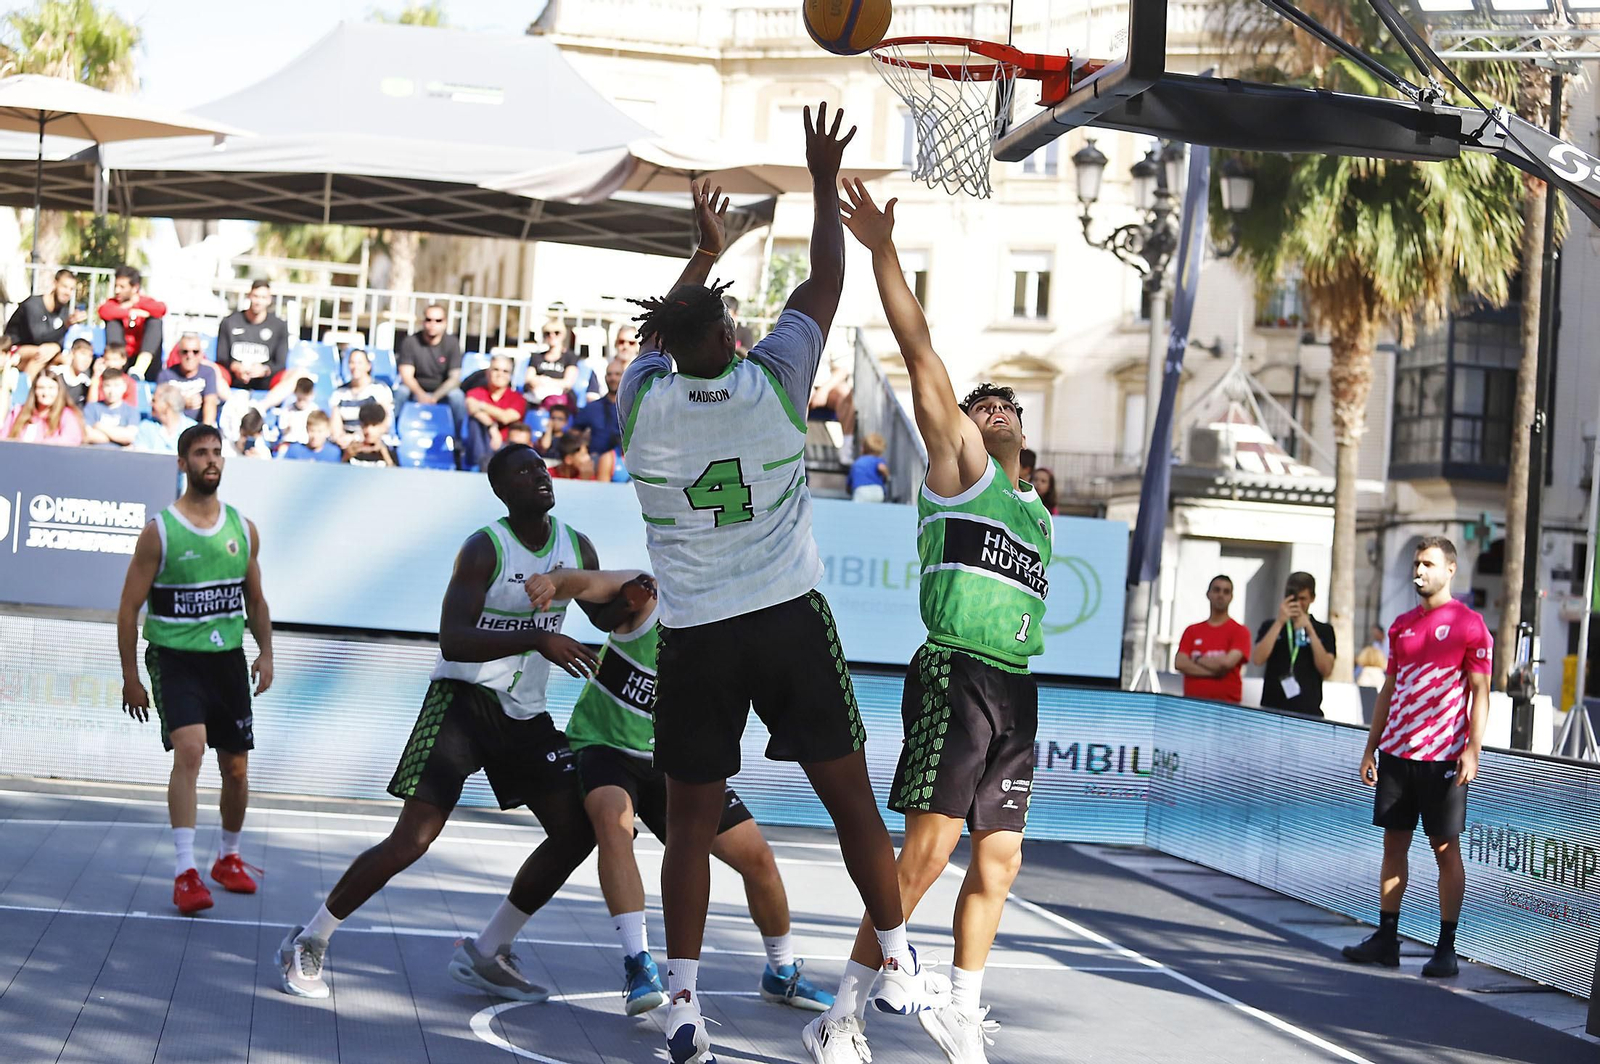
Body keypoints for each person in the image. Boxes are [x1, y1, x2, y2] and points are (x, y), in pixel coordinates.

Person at [622, 133, 946, 1064]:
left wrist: (703, 254)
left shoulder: (640, 401)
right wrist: (815, 180)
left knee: (687, 825)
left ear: (668, 349)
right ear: (731, 338)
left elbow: (661, 337)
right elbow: (824, 282)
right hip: (785, 617)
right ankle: (895, 960)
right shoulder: (774, 380)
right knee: (848, 800)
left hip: (693, 634)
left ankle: (682, 1006)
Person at [836, 177, 1051, 1064]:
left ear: (1025, 434)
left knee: (999, 863)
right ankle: (842, 1013)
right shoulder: (961, 463)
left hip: (1016, 688)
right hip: (956, 672)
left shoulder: (1038, 509)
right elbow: (920, 351)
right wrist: (883, 249)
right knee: (925, 856)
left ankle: (961, 1006)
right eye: (982, 401)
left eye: (1008, 404)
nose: (992, 405)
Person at [278, 444, 605, 1002]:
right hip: (461, 701)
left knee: (578, 830)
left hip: (525, 713)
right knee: (413, 839)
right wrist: (535, 636)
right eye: (524, 471)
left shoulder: (577, 549)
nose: (540, 475)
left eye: (542, 467)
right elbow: (454, 638)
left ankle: (487, 951)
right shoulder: (484, 548)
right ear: (502, 491)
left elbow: (608, 614)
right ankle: (311, 939)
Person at [530, 567, 832, 1015]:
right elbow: (588, 584)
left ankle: (781, 972)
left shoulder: (731, 640)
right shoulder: (652, 598)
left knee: (759, 859)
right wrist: (556, 583)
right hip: (605, 746)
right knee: (614, 825)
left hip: (673, 761)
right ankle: (638, 963)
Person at [117, 424, 274, 914]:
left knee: (237, 768)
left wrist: (266, 652)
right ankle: (186, 871)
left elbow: (256, 599)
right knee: (190, 750)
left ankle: (228, 858)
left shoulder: (243, 529)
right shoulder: (159, 531)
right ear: (182, 463)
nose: (211, 460)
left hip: (226, 660)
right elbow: (127, 611)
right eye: (201, 453)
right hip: (174, 657)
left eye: (217, 453)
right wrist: (130, 677)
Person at [1343, 536, 1490, 979]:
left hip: (1444, 756)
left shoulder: (1470, 624)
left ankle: (1446, 948)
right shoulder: (1401, 626)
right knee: (1394, 846)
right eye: (1415, 563)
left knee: (1445, 849)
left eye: (1428, 563)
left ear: (1450, 570)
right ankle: (1387, 938)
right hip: (1396, 754)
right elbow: (1389, 689)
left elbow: (1481, 693)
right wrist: (1372, 746)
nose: (1419, 571)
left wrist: (1472, 748)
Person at [1251, 571, 1336, 716]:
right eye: (1293, 598)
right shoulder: (1270, 626)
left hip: (1308, 711)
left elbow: (1326, 669)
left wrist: (1309, 628)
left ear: (1312, 598)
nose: (1297, 604)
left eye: (1303, 599)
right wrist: (1279, 622)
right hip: (1272, 708)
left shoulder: (1324, 630)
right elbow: (1258, 659)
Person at [1174, 575, 1252, 704]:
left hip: (1226, 708)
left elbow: (1226, 663)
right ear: (1208, 594)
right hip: (1192, 706)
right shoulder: (1192, 631)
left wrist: (1197, 658)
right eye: (1216, 590)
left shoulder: (1240, 631)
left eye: (1226, 591)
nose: (1221, 595)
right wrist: (1215, 673)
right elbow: (1180, 663)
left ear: (1231, 597)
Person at [395, 303, 465, 428]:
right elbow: (406, 376)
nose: (433, 324)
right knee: (401, 392)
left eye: (438, 320)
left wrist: (435, 397)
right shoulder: (410, 342)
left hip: (441, 392)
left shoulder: (452, 343)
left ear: (445, 323)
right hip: (415, 390)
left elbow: (455, 378)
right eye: (429, 319)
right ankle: (392, 433)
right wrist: (421, 394)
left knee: (457, 396)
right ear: (423, 322)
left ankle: (459, 438)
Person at [215, 279, 290, 391]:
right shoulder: (229, 322)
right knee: (211, 370)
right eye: (255, 296)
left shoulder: (279, 326)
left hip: (265, 381)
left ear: (269, 300)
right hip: (233, 379)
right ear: (249, 296)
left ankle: (262, 406)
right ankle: (230, 401)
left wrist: (264, 370)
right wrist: (236, 367)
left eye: (263, 297)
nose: (258, 301)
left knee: (298, 374)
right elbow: (221, 358)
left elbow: (280, 364)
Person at [98, 265, 167, 377]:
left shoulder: (145, 302)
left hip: (146, 361)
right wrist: (130, 310)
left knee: (155, 321)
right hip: (123, 359)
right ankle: (114, 368)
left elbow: (161, 309)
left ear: (135, 288)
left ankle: (140, 368)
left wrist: (137, 303)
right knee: (112, 322)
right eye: (116, 286)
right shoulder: (113, 303)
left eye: (122, 287)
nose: (117, 290)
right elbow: (103, 311)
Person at [464, 354, 528, 467]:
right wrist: (492, 427)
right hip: (480, 445)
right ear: (487, 373)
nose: (500, 374)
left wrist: (482, 406)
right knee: (474, 422)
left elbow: (506, 417)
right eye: (496, 369)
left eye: (505, 371)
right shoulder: (475, 392)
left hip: (506, 448)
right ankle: (481, 465)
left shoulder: (518, 398)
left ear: (510, 376)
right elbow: (471, 408)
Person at [5, 267, 84, 359]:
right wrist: (66, 326)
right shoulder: (33, 305)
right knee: (42, 353)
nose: (67, 292)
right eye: (64, 287)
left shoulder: (63, 311)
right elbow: (38, 339)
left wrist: (57, 347)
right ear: (55, 284)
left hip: (42, 350)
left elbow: (61, 341)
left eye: (71, 289)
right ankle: (28, 374)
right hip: (13, 349)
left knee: (65, 358)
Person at [329, 348, 395, 447]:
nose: (355, 366)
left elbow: (384, 424)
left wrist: (357, 438)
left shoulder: (380, 389)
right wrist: (341, 438)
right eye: (352, 362)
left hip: (372, 442)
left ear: (368, 366)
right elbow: (336, 425)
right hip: (346, 444)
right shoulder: (339, 393)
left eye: (359, 363)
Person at [156, 334, 225, 426]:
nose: (190, 356)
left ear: (201, 354)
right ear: (179, 353)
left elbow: (210, 402)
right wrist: (182, 403)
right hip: (172, 427)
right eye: (185, 352)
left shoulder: (208, 372)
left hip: (199, 427)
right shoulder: (165, 375)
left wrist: (205, 429)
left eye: (195, 352)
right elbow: (159, 406)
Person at [2, 369, 83, 445]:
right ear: (34, 390)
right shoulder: (18, 411)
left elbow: (70, 440)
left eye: (51, 388)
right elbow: (3, 438)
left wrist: (41, 443)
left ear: (58, 390)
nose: (46, 393)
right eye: (41, 388)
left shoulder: (66, 415)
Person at [571, 355, 624, 455]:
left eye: (617, 374)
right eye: (609, 374)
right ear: (605, 378)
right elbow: (574, 432)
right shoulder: (592, 408)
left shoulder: (634, 407)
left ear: (624, 376)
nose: (613, 378)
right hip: (596, 460)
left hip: (625, 462)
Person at [83, 367, 141, 448]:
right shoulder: (91, 408)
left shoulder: (131, 411)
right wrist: (118, 438)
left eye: (116, 386)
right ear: (102, 387)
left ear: (124, 387)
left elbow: (129, 436)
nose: (112, 391)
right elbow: (87, 435)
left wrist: (99, 426)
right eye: (107, 386)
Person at [526, 318, 580, 404]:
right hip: (536, 396)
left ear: (563, 335)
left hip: (559, 398)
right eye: (547, 333)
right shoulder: (536, 357)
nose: (552, 336)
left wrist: (546, 381)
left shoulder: (570, 357)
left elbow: (568, 383)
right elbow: (529, 379)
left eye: (556, 333)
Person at [132, 384, 195, 454]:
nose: (150, 404)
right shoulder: (146, 427)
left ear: (167, 405)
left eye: (154, 400)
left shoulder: (193, 431)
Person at [847, 433, 888, 502]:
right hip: (877, 491)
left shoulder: (857, 463)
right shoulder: (878, 460)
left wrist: (849, 490)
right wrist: (886, 477)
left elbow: (849, 483)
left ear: (863, 448)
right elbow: (882, 468)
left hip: (861, 490)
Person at [54, 338, 95, 407]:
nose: (86, 359)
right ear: (72, 353)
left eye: (90, 356)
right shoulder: (56, 374)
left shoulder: (86, 384)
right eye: (83, 353)